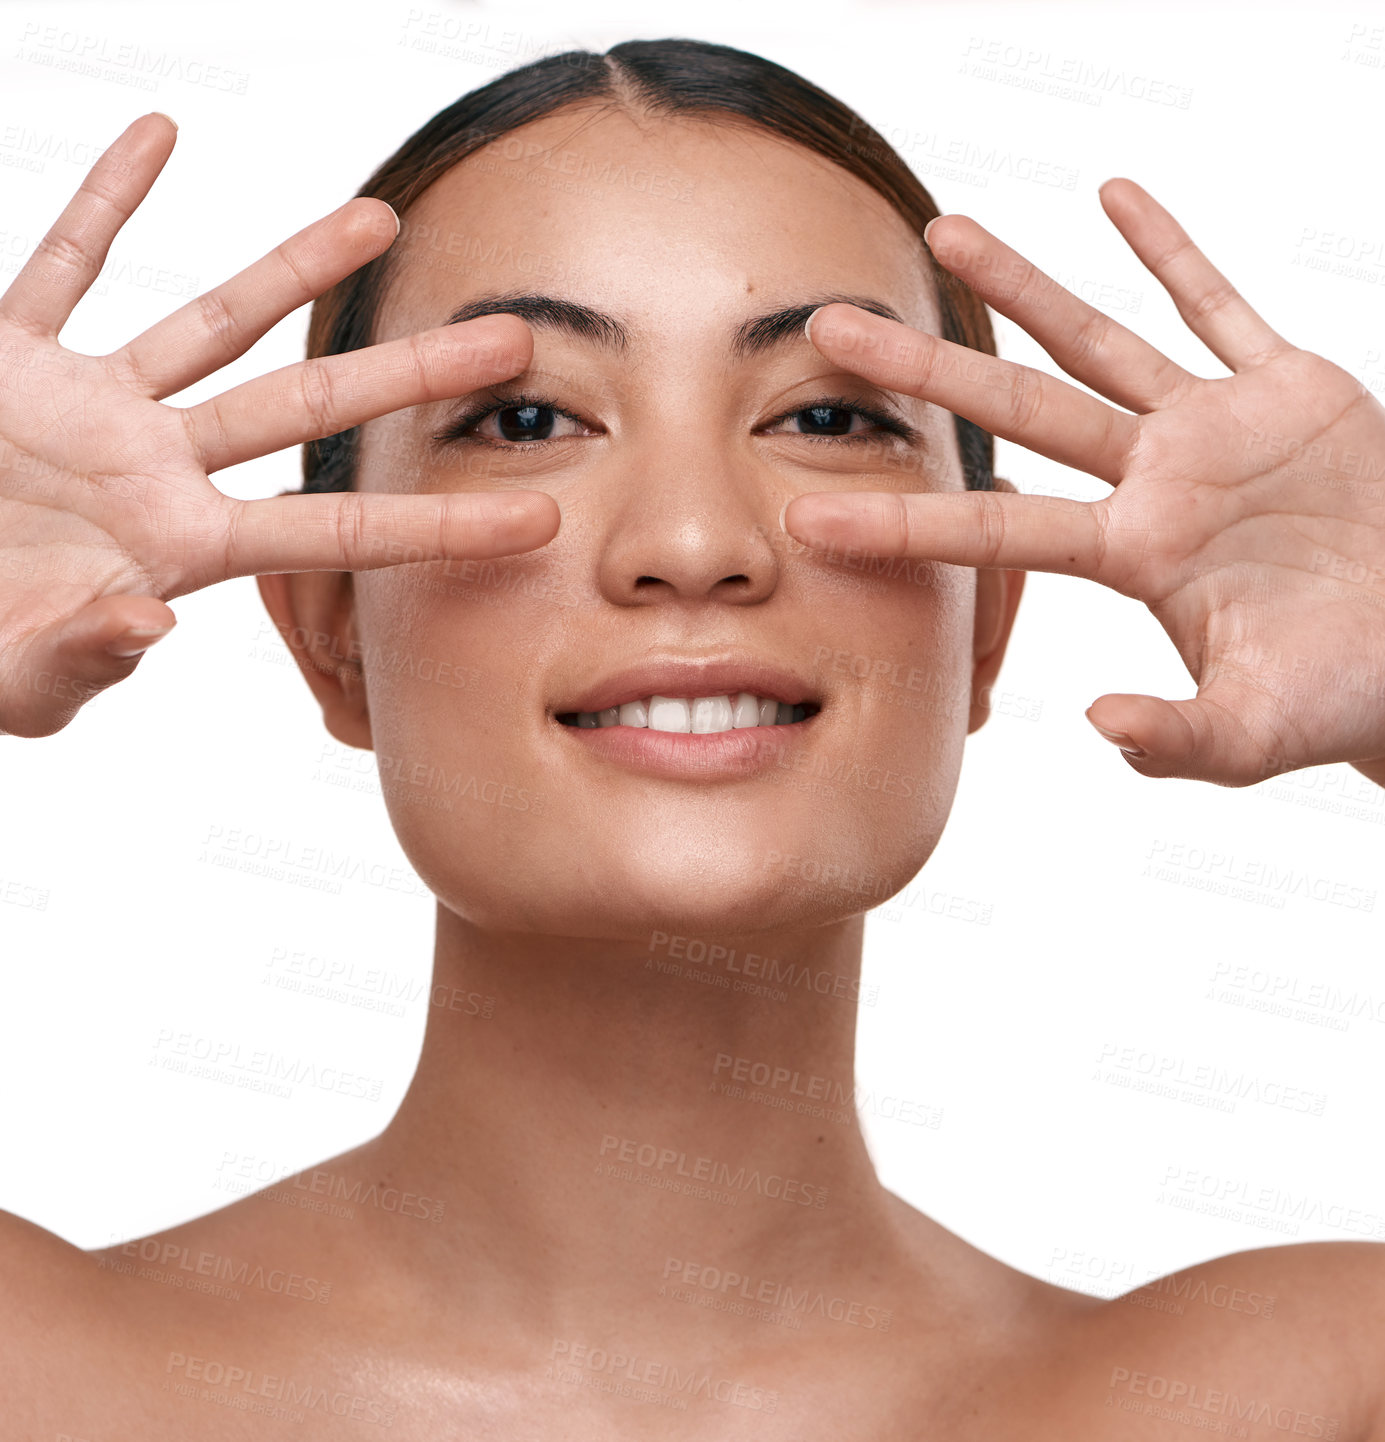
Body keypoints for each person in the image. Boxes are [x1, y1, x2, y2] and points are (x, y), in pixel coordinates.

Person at [3, 36, 1384, 1440]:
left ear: (985, 622)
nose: (690, 542)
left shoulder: (1306, 1389)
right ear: (326, 629)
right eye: (526, 417)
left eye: (827, 416)